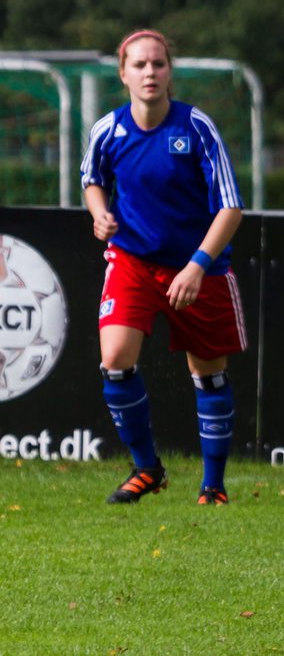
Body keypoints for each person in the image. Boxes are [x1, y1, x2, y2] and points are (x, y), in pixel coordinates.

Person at [80, 29, 246, 506]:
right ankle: (146, 468)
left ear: (170, 71)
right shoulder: (108, 130)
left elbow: (230, 208)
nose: (149, 72)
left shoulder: (196, 128)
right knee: (115, 360)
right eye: (139, 65)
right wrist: (99, 214)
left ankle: (213, 487)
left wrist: (196, 266)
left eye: (158, 64)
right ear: (123, 74)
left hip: (199, 268)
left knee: (209, 374)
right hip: (132, 260)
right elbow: (92, 178)